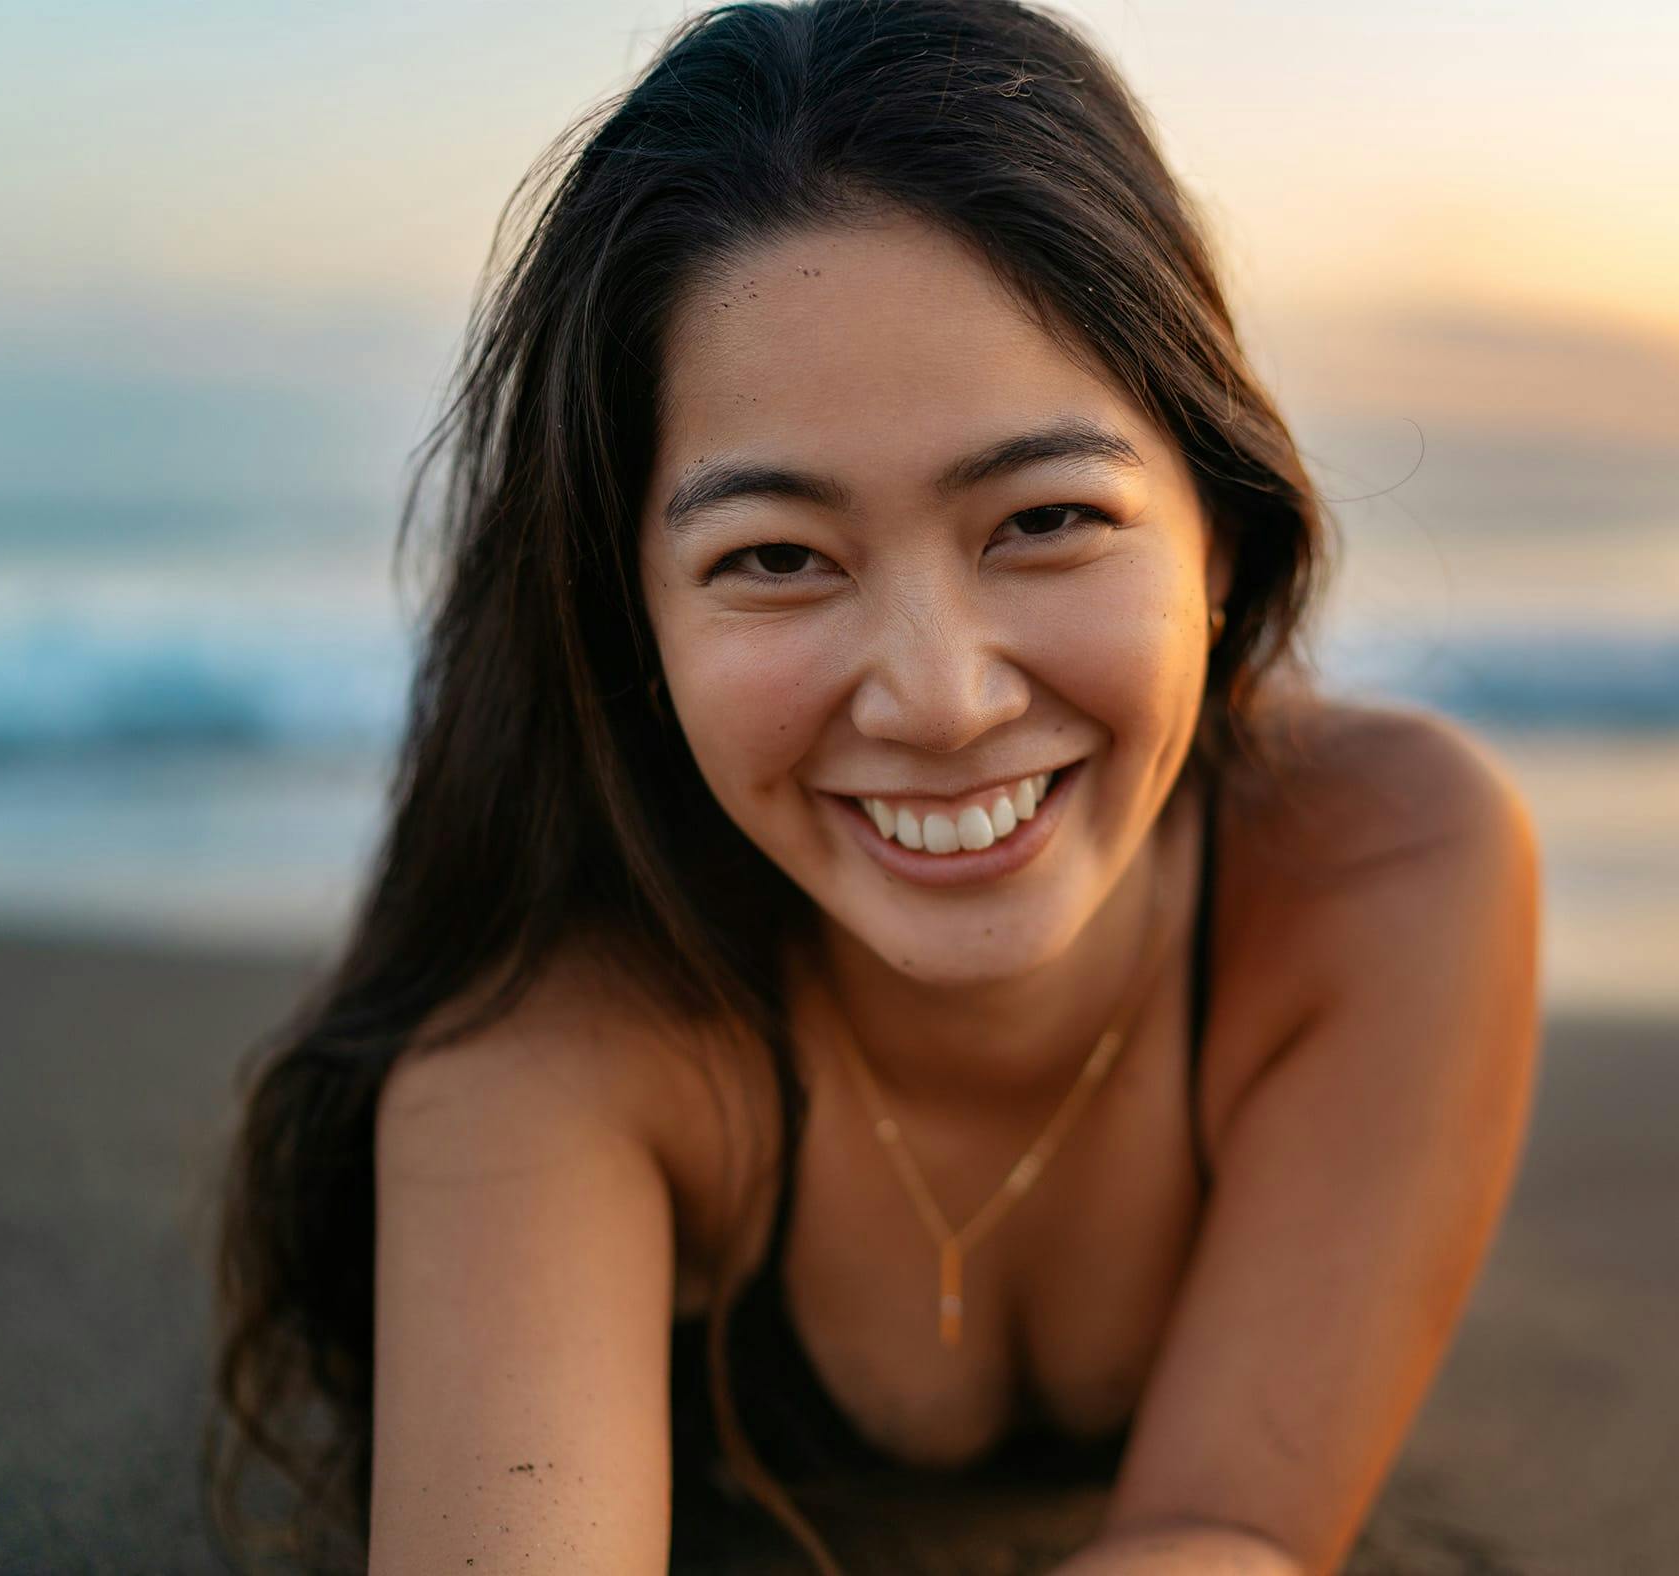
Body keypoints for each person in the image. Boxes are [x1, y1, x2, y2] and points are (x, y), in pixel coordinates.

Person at [203, 2, 1543, 1573]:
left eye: (1045, 520)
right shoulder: (549, 1057)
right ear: (634, 621)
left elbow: (1234, 1532)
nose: (940, 699)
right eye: (776, 556)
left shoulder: (1382, 873)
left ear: (1221, 532)